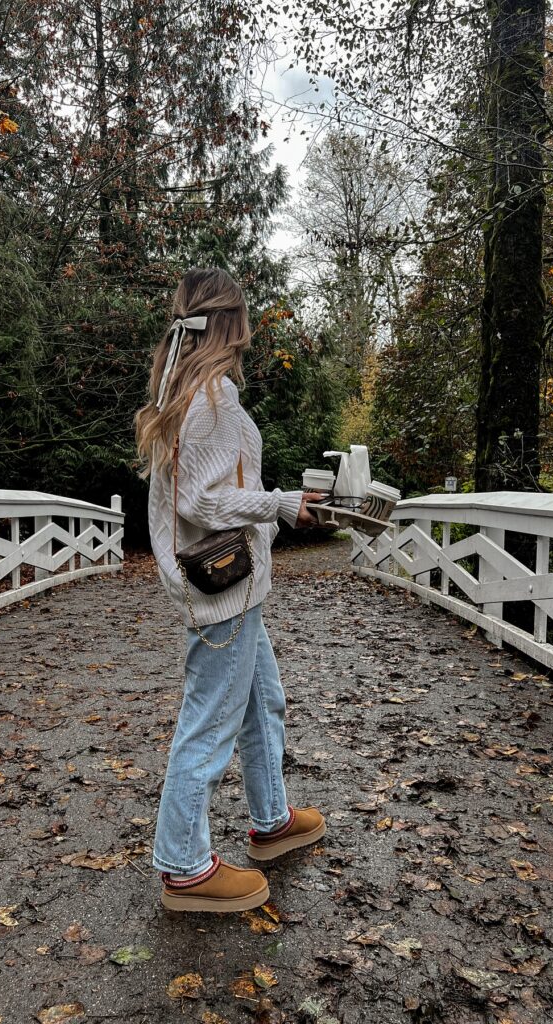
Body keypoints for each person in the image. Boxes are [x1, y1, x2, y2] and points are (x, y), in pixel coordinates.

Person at [134, 266, 332, 913]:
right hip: (222, 589)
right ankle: (184, 867)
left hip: (232, 589)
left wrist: (275, 506)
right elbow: (203, 499)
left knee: (259, 702)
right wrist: (280, 503)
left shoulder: (191, 391)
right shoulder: (210, 398)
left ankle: (271, 821)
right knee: (210, 721)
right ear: (232, 321)